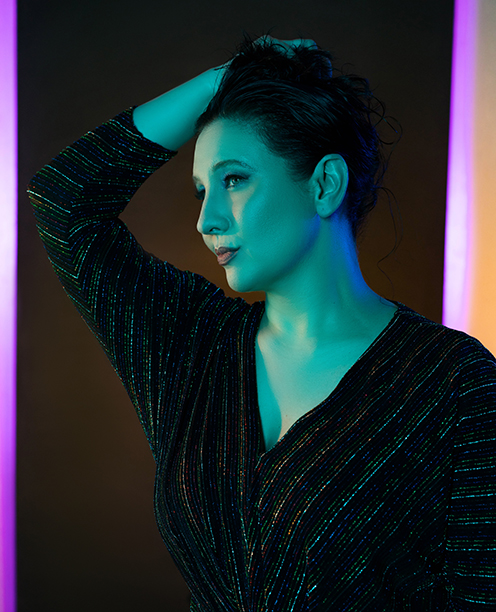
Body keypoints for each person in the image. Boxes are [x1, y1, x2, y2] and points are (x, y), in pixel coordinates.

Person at [28, 34, 495, 611]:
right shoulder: (190, 343)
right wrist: (224, 79)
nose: (206, 220)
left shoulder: (454, 382)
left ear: (324, 184)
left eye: (233, 179)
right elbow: (64, 201)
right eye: (201, 191)